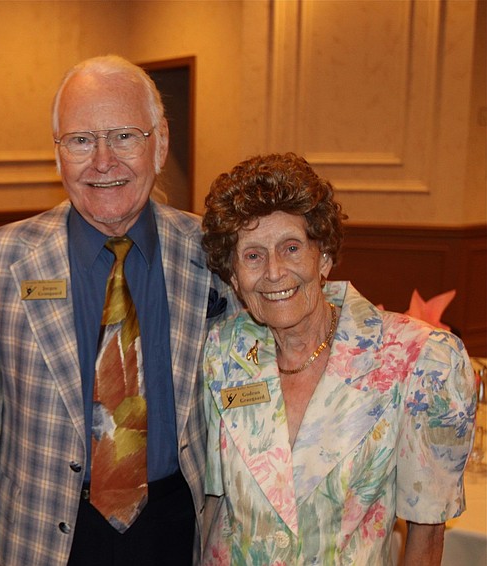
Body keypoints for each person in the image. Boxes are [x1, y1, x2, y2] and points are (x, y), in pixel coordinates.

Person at [0, 54, 236, 566]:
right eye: (81, 141)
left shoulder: (209, 250)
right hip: (46, 536)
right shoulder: (0, 259)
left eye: (125, 136)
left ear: (160, 143)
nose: (103, 161)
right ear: (58, 154)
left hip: (176, 528)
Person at [199, 152, 475, 565]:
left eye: (291, 248)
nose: (274, 272)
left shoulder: (418, 359)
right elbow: (215, 509)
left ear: (323, 256)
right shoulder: (225, 352)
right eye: (253, 255)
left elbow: (426, 536)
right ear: (235, 278)